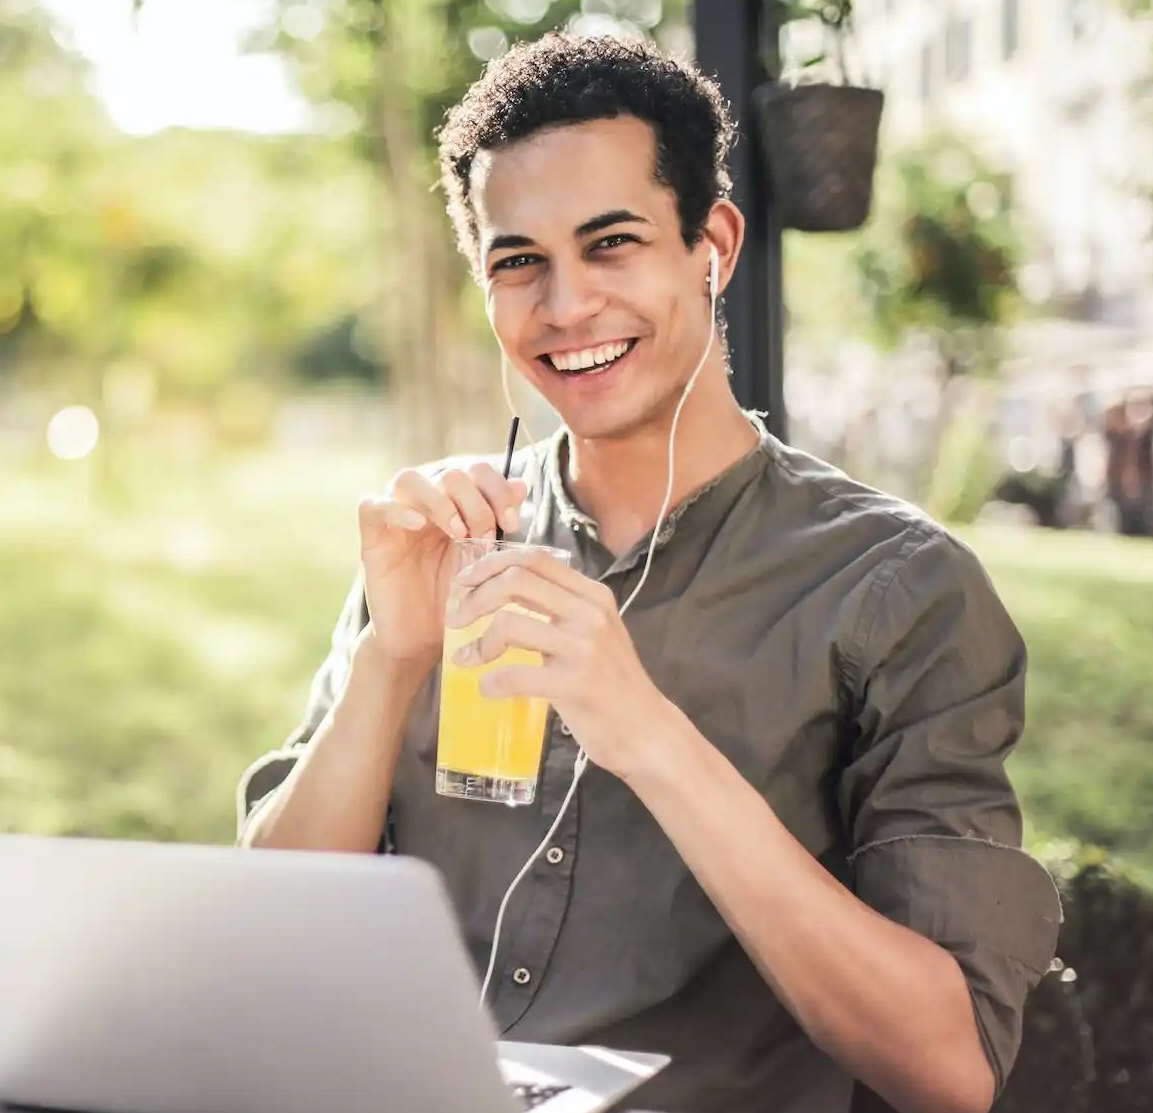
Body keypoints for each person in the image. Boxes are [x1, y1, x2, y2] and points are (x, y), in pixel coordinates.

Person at [238, 34, 1060, 1113]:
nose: (564, 306)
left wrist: (646, 733)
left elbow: (944, 1069)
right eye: (516, 260)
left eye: (610, 243)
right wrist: (391, 662)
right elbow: (265, 938)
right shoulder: (444, 542)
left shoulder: (897, 592)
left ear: (709, 245)